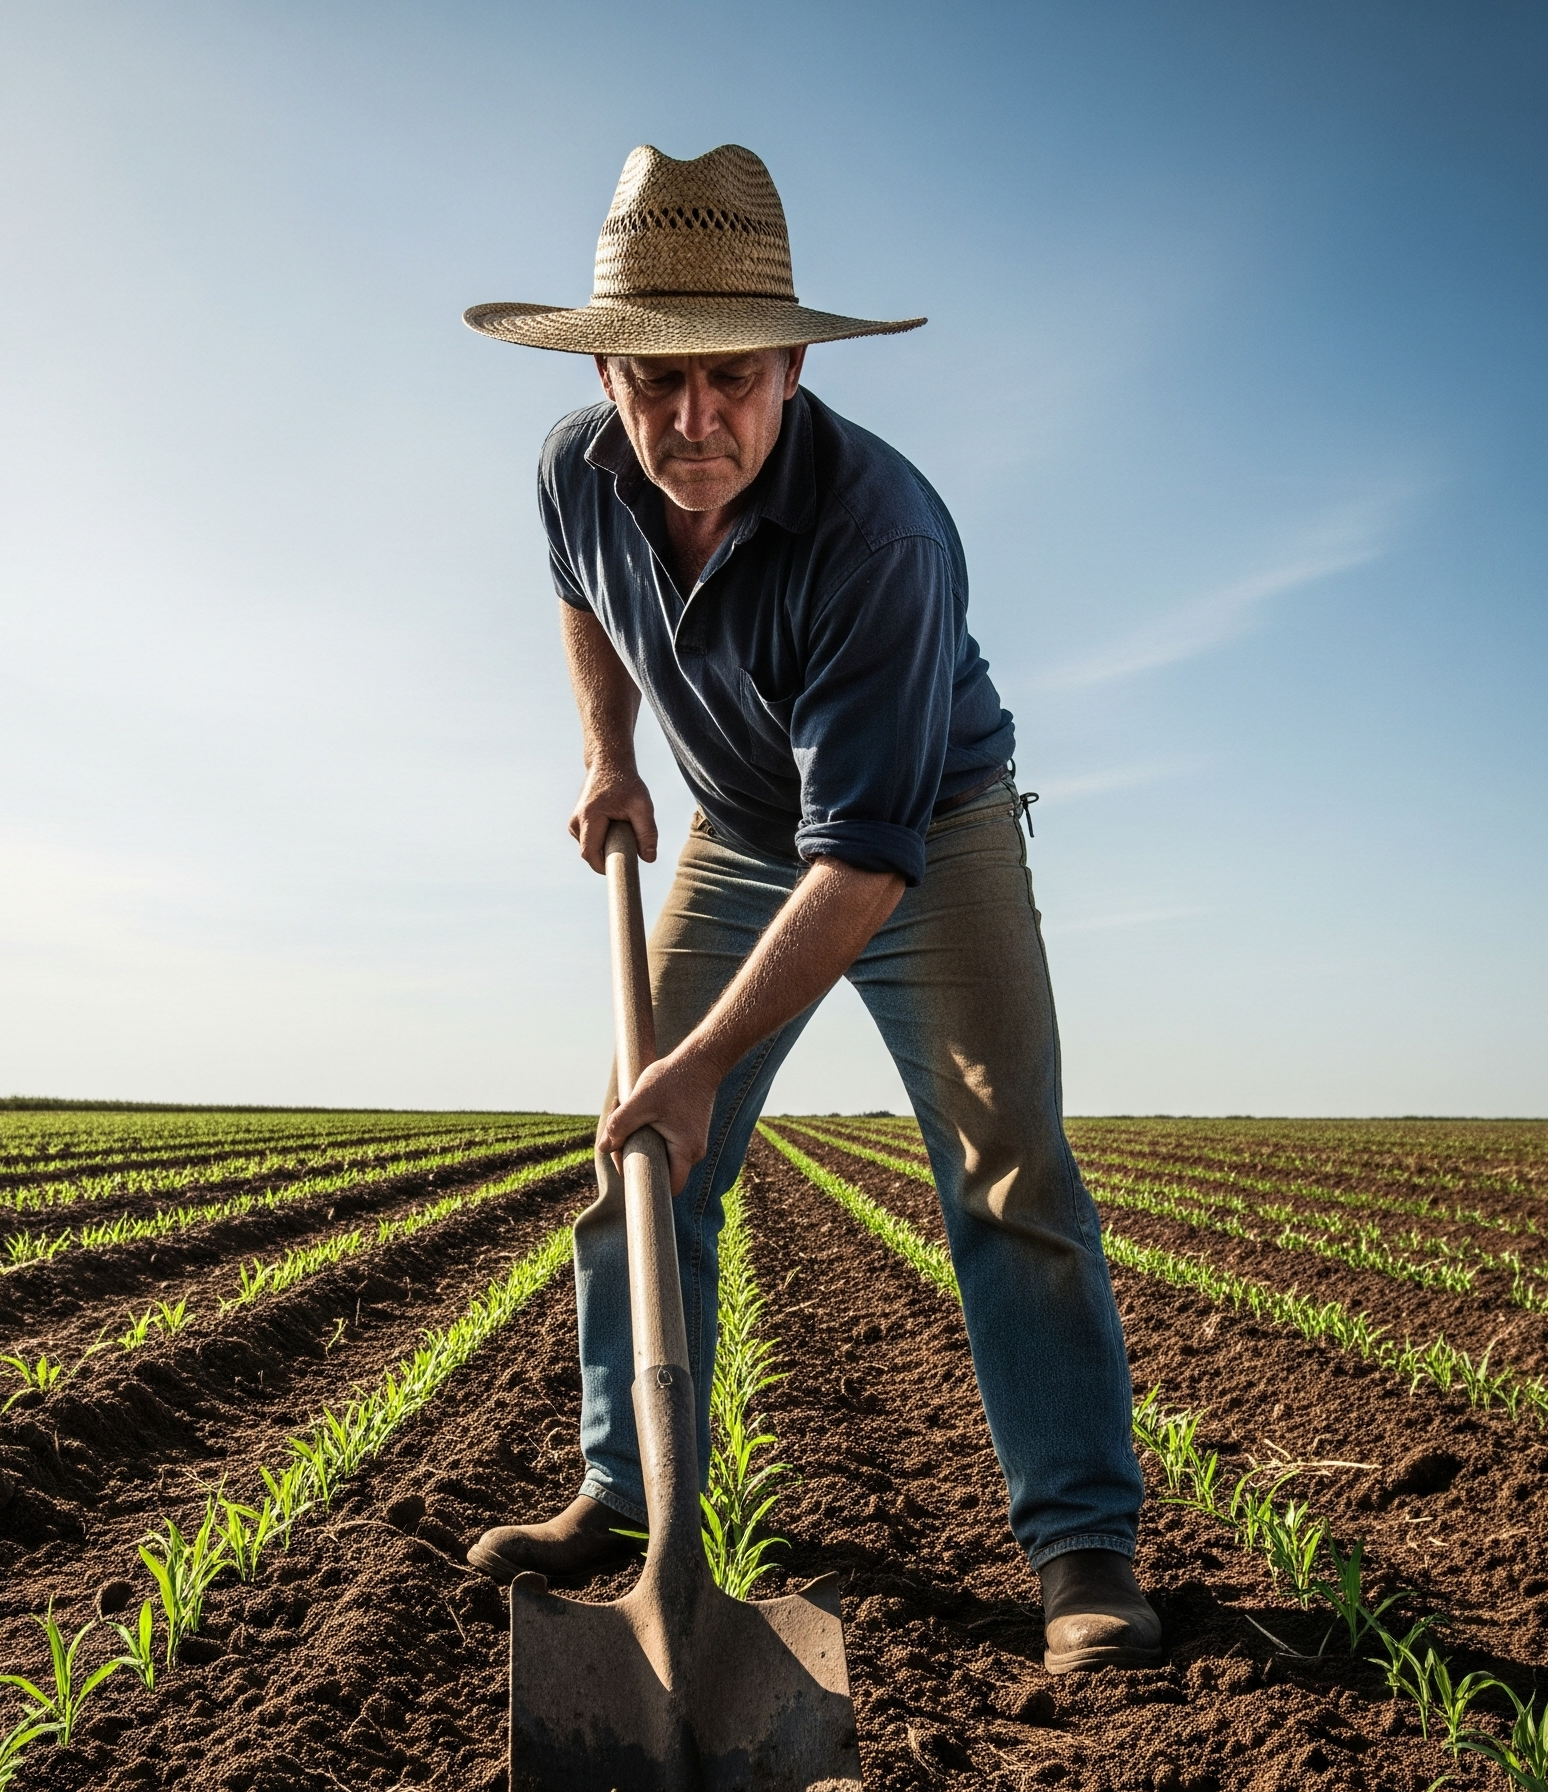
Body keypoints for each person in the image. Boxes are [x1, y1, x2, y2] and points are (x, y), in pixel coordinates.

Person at [459, 144, 1159, 1673]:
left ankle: (1084, 1546)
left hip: (924, 835)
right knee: (638, 1146)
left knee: (1003, 1165)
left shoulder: (883, 538)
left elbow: (862, 861)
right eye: (654, 385)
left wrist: (709, 1058)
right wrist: (608, 754)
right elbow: (579, 589)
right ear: (608, 372)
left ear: (790, 366)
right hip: (735, 825)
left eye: (728, 381)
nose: (689, 422)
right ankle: (626, 1493)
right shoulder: (580, 469)